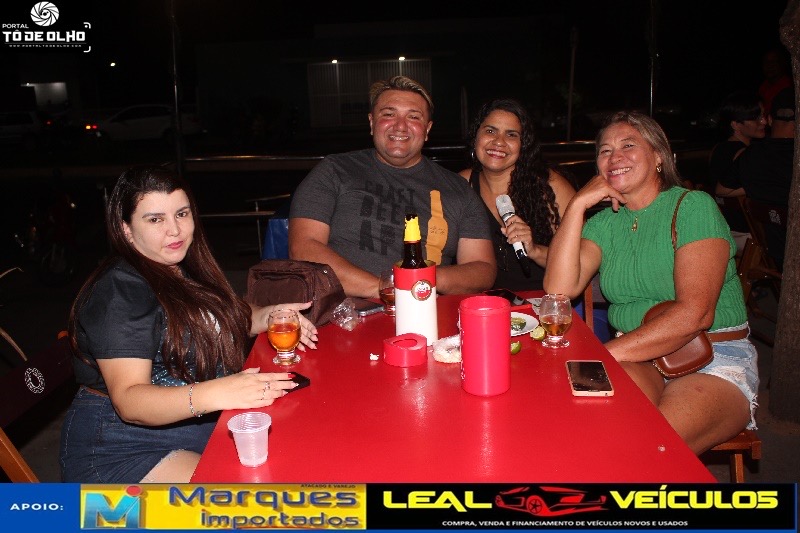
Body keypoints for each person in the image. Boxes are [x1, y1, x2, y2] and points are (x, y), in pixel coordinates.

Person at [59, 166, 319, 483]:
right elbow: (130, 401)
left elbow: (219, 319)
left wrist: (267, 315)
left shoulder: (177, 265)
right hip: (122, 450)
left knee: (303, 453)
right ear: (126, 229)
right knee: (254, 497)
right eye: (155, 220)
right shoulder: (120, 293)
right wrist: (220, 392)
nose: (175, 230)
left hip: (191, 426)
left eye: (181, 214)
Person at [544, 111, 758, 455]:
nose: (615, 157)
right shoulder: (603, 224)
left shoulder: (693, 207)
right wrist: (577, 205)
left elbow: (695, 315)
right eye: (605, 150)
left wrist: (602, 355)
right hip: (637, 357)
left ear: (659, 155)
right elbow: (559, 289)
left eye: (628, 145)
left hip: (713, 356)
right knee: (588, 422)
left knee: (649, 445)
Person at [289, 75, 495, 297]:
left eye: (413, 117)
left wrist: (423, 280)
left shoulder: (457, 189)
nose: (400, 126)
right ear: (371, 122)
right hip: (342, 309)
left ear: (427, 129)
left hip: (424, 307)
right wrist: (385, 290)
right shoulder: (334, 170)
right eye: (389, 114)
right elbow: (304, 247)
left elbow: (482, 269)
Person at [458, 98, 576, 291]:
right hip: (484, 304)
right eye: (490, 131)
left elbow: (580, 262)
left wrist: (535, 250)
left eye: (511, 135)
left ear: (523, 144)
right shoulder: (462, 184)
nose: (499, 142)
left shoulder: (551, 187)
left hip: (542, 301)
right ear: (475, 137)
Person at [719, 87, 795, 271]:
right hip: (788, 255)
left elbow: (722, 189)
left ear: (770, 119)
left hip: (773, 254)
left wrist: (758, 184)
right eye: (755, 117)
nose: (761, 122)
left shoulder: (750, 155)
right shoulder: (790, 159)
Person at [709, 90, 766, 253]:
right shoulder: (746, 154)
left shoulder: (716, 149)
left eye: (763, 115)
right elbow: (721, 190)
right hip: (745, 233)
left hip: (723, 228)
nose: (763, 122)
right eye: (755, 118)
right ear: (735, 125)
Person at [757, 47, 791, 118]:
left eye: (774, 62)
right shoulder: (763, 87)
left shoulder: (789, 87)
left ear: (782, 64)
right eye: (766, 62)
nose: (770, 65)